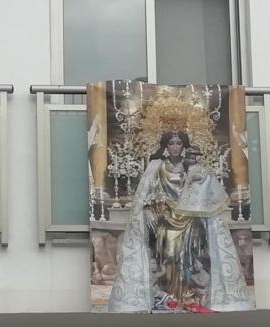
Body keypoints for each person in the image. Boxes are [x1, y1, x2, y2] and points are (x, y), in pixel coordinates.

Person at [108, 131, 253, 313]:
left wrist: (199, 175)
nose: (175, 147)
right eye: (171, 143)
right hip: (164, 216)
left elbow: (205, 190)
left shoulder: (191, 166)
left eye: (178, 143)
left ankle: (187, 295)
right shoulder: (157, 166)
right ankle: (169, 295)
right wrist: (147, 210)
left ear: (184, 146)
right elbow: (145, 195)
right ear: (165, 146)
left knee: (190, 252)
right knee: (169, 253)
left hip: (189, 216)